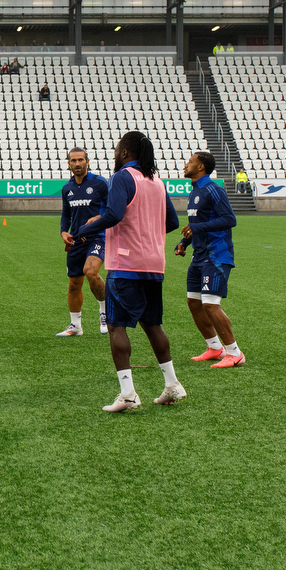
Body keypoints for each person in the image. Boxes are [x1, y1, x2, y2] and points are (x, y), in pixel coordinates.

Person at [71, 131, 186, 410]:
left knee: (116, 325)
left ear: (124, 153)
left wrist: (84, 230)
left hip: (126, 264)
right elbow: (171, 221)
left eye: (117, 149)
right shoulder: (157, 181)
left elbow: (114, 215)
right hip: (154, 264)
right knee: (152, 324)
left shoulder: (122, 177)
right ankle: (172, 384)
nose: (114, 154)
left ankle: (128, 394)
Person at [174, 150, 244, 368]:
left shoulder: (213, 189)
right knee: (194, 302)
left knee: (211, 304)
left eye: (190, 162)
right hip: (199, 256)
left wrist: (196, 228)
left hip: (216, 255)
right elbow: (198, 225)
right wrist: (184, 243)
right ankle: (214, 347)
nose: (186, 165)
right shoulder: (195, 191)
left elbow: (229, 219)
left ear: (201, 167)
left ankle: (234, 353)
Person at [57, 147, 110, 336]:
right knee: (74, 284)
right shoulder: (67, 188)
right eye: (73, 160)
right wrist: (64, 231)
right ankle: (75, 326)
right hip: (76, 240)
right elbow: (66, 214)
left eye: (81, 160)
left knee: (91, 272)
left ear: (87, 161)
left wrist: (99, 217)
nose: (77, 163)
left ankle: (105, 313)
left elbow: (114, 209)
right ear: (69, 163)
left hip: (98, 237)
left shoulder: (100, 183)